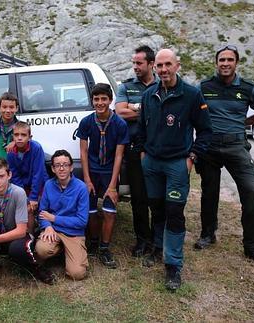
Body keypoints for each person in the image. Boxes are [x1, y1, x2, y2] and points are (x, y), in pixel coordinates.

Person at [136, 49, 212, 291]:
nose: (164, 70)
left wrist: (191, 158)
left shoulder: (191, 94)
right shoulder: (149, 95)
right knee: (157, 209)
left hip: (177, 164)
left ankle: (173, 265)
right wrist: (142, 154)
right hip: (152, 163)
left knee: (174, 212)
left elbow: (205, 131)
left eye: (168, 64)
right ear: (155, 68)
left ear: (177, 66)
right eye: (159, 66)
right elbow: (140, 130)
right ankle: (159, 248)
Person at [195, 45, 254, 265]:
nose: (225, 63)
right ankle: (208, 234)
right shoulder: (204, 86)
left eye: (230, 60)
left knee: (250, 190)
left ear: (236, 63)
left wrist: (244, 123)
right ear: (216, 62)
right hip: (209, 147)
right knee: (209, 192)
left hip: (236, 146)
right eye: (222, 60)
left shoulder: (248, 88)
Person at [77, 83, 129, 268]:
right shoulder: (86, 122)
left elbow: (119, 155)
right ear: (92, 101)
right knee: (90, 211)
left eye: (103, 99)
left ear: (110, 100)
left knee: (109, 211)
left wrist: (113, 185)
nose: (100, 103)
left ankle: (105, 248)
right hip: (92, 170)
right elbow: (83, 151)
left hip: (109, 172)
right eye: (96, 99)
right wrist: (87, 179)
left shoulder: (120, 123)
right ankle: (93, 241)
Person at [115, 45, 158, 257]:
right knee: (139, 198)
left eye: (139, 63)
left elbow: (167, 111)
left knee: (158, 198)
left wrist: (135, 107)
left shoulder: (163, 84)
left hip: (159, 149)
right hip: (135, 148)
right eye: (133, 63)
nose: (135, 67)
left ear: (151, 64)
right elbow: (120, 113)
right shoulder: (126, 86)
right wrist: (147, 109)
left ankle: (158, 240)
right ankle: (142, 240)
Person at [34, 150, 89, 280]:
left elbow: (81, 221)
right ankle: (59, 250)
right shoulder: (48, 185)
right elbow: (42, 212)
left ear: (71, 167)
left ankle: (70, 251)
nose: (62, 168)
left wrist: (53, 218)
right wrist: (47, 226)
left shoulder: (81, 188)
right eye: (57, 165)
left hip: (73, 233)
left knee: (77, 274)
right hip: (53, 231)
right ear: (53, 169)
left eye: (65, 164)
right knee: (41, 249)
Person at [6, 121, 48, 234]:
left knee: (40, 207)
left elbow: (38, 173)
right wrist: (25, 198)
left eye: (23, 135)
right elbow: (14, 176)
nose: (19, 138)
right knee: (26, 208)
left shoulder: (36, 148)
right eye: (16, 135)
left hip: (39, 184)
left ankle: (43, 231)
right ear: (12, 136)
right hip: (23, 186)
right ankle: (29, 236)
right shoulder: (10, 152)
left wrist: (33, 197)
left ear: (30, 137)